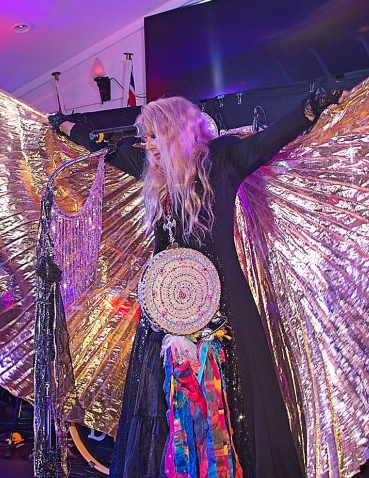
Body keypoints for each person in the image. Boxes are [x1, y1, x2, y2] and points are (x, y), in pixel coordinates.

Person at [49, 88, 344, 478]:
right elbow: (100, 144)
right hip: (167, 306)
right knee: (167, 399)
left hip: (224, 306)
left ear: (175, 132)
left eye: (154, 136)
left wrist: (308, 108)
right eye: (145, 137)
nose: (147, 145)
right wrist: (66, 126)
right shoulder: (151, 170)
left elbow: (266, 142)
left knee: (234, 397)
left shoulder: (222, 159)